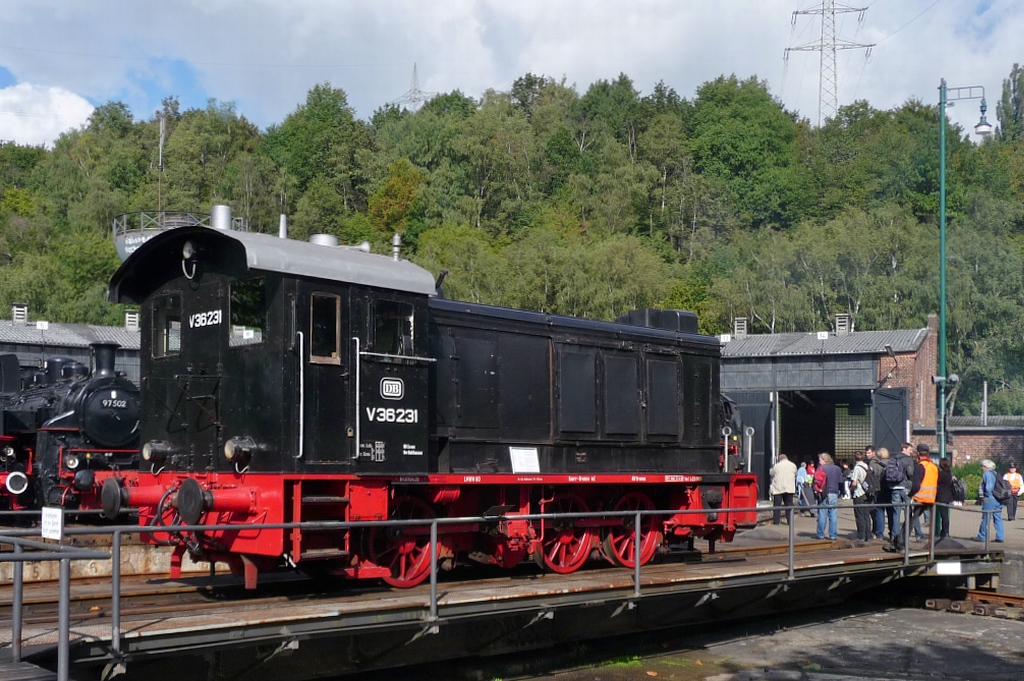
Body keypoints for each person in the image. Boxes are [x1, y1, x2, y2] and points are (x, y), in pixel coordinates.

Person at [814, 452, 842, 541]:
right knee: (833, 515)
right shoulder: (837, 468)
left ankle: (820, 534)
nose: (819, 462)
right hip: (834, 493)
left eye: (820, 460)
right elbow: (840, 481)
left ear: (824, 460)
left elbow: (817, 481)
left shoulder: (821, 468)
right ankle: (833, 535)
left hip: (824, 493)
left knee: (822, 514)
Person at [976, 459, 1005, 543]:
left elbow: (989, 487)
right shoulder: (996, 473)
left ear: (986, 467)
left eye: (983, 466)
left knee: (986, 517)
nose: (982, 468)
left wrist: (986, 496)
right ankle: (1000, 537)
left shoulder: (987, 474)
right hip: (998, 498)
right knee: (998, 518)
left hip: (991, 498)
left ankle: (982, 536)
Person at [769, 453, 798, 525]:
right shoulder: (793, 465)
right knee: (789, 505)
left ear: (780, 459)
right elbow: (796, 474)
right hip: (789, 488)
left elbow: (772, 474)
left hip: (778, 488)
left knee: (777, 506)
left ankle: (776, 521)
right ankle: (790, 521)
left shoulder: (777, 466)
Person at [850, 450, 872, 542]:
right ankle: (868, 535)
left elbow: (854, 482)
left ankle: (861, 535)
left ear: (854, 458)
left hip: (859, 493)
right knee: (866, 515)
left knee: (859, 515)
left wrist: (851, 489)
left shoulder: (857, 468)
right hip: (867, 493)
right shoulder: (867, 466)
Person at [865, 446, 886, 540]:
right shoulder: (881, 463)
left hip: (876, 490)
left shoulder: (873, 463)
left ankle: (877, 532)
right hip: (885, 489)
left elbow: (872, 478)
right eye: (866, 453)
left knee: (876, 512)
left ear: (874, 453)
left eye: (869, 453)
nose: (867, 454)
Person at [935, 458, 954, 541]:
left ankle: (945, 533)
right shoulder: (949, 474)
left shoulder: (941, 474)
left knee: (944, 516)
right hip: (948, 496)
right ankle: (945, 532)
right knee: (945, 515)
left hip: (941, 496)